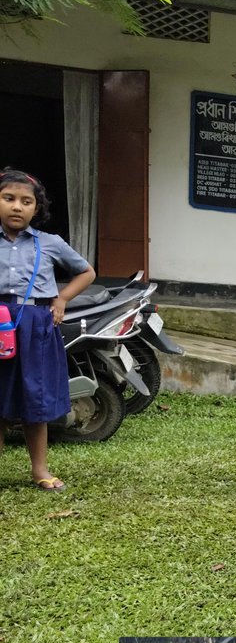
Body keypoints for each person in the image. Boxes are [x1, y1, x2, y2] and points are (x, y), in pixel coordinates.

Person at [0, 169, 96, 492]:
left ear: (36, 209)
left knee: (34, 399)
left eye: (26, 201)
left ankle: (39, 469)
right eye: (8, 198)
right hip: (0, 321)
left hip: (35, 326)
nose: (17, 207)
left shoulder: (50, 243)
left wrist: (62, 298)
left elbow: (87, 272)